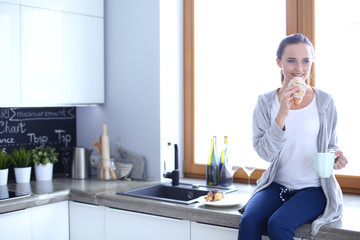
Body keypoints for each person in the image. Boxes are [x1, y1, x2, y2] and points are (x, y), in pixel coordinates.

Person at [237, 33, 348, 240]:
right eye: (291, 61)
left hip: (313, 189)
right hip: (276, 185)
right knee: (248, 221)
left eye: (306, 61)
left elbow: (330, 144)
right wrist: (282, 113)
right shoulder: (266, 103)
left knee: (278, 224)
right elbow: (266, 154)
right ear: (279, 62)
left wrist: (335, 156)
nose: (299, 69)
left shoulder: (324, 102)